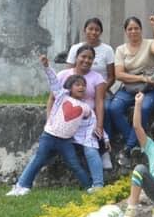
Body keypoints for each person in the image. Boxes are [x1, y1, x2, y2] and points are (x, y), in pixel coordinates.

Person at [7, 57, 93, 195]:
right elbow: (54, 81)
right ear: (69, 87)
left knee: (74, 164)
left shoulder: (86, 108)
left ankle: (89, 186)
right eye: (77, 85)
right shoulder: (61, 97)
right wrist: (47, 67)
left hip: (66, 141)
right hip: (49, 137)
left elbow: (89, 124)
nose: (81, 87)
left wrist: (98, 138)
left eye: (83, 85)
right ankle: (22, 186)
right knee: (38, 160)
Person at [106, 15, 154, 164]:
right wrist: (142, 78)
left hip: (149, 89)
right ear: (126, 31)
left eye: (136, 28)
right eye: (130, 29)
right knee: (113, 108)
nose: (133, 31)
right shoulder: (121, 49)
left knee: (143, 108)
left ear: (141, 30)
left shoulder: (149, 43)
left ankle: (128, 147)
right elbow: (119, 74)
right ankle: (135, 140)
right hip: (128, 88)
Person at [54, 45, 108, 189]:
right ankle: (24, 182)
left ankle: (98, 185)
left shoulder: (97, 78)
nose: (86, 60)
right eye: (83, 56)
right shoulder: (63, 75)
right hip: (65, 121)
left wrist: (99, 126)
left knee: (91, 149)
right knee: (45, 150)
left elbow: (99, 102)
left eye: (90, 58)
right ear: (76, 57)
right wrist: (50, 121)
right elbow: (52, 100)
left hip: (87, 122)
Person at [65, 17, 115, 89]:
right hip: (77, 91)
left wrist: (100, 91)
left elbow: (111, 77)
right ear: (84, 30)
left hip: (101, 89)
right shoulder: (75, 48)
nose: (93, 32)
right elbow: (69, 73)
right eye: (90, 29)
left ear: (101, 32)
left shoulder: (108, 50)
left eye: (97, 30)